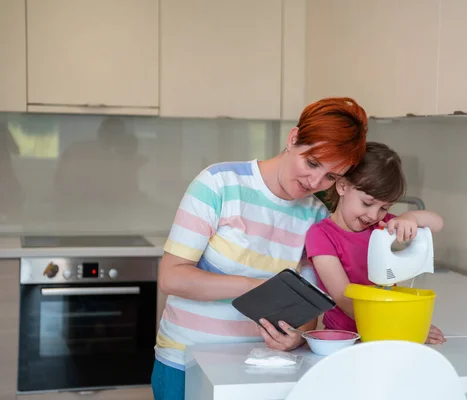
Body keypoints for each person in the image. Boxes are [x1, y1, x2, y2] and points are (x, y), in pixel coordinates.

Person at [152, 97, 368, 399]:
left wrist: (295, 339)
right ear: (293, 139)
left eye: (331, 176)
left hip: (260, 369)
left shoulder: (316, 217)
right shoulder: (219, 184)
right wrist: (257, 287)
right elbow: (172, 278)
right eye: (312, 162)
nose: (315, 181)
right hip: (187, 363)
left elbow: (307, 307)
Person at [305, 142, 446, 344]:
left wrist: (410, 217)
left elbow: (437, 223)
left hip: (386, 329)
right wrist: (402, 323)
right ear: (343, 185)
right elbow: (345, 298)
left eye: (384, 207)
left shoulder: (381, 226)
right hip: (346, 337)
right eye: (367, 203)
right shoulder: (321, 235)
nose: (373, 215)